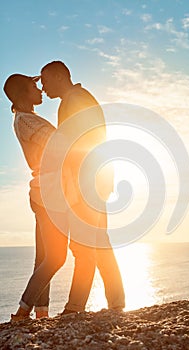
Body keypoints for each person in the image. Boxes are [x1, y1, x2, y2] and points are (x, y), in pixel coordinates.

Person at [40, 61, 125, 314]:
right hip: (96, 177)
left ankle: (75, 306)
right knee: (99, 241)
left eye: (45, 80)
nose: (43, 87)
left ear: (58, 76)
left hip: (87, 179)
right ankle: (116, 300)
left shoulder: (74, 100)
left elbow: (82, 142)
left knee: (84, 244)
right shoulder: (79, 97)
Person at [3, 74, 70, 321]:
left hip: (43, 191)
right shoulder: (26, 121)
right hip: (49, 192)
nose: (40, 89)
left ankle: (41, 314)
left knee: (43, 258)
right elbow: (58, 144)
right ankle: (22, 312)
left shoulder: (26, 119)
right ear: (22, 93)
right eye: (34, 86)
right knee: (56, 257)